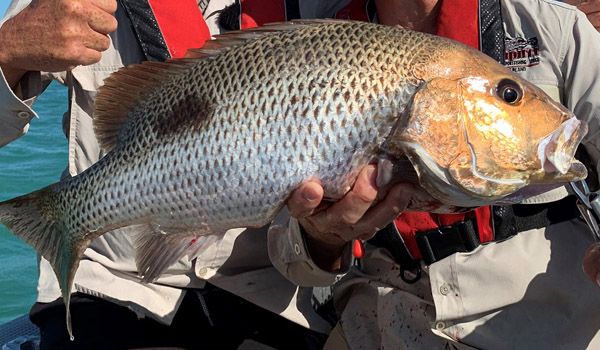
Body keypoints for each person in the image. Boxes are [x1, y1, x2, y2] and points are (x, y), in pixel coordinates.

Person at [0, 0, 418, 348]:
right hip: (112, 289)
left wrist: (325, 238)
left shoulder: (322, 8)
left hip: (272, 299)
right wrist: (9, 47)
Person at [285, 0, 600, 349]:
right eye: (508, 94)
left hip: (547, 324)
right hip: (380, 320)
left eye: (509, 95)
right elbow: (294, 265)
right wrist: (323, 239)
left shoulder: (554, 29)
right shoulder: (315, 49)